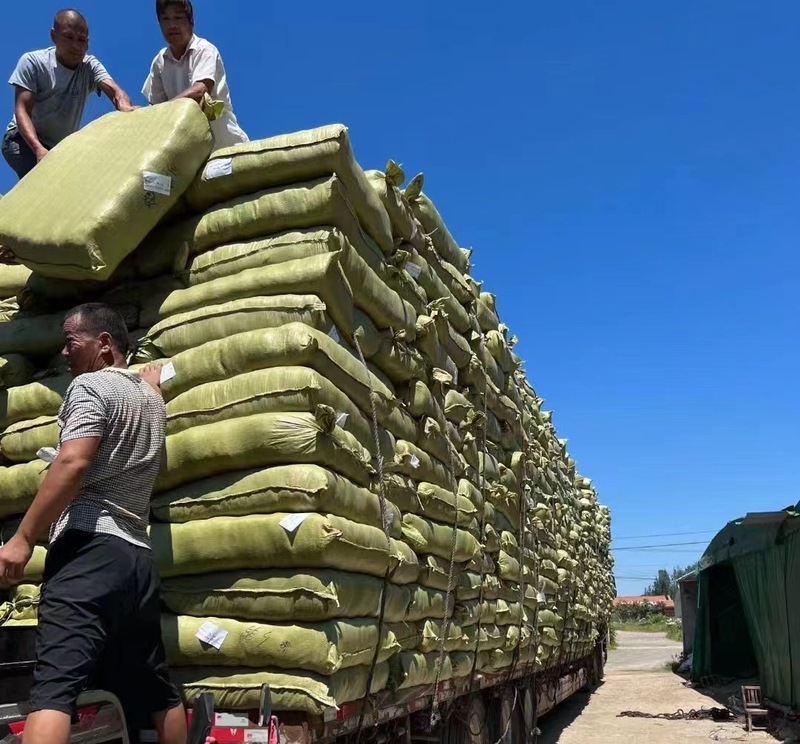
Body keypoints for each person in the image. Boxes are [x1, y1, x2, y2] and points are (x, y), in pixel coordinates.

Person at [0, 304, 188, 744]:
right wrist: (148, 378)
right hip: (137, 560)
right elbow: (150, 380)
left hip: (89, 551)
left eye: (71, 342)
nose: (64, 354)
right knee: (157, 688)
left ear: (103, 344)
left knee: (54, 689)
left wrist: (23, 538)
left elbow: (73, 460)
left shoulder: (89, 387)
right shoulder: (151, 400)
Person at [2, 9, 135, 180]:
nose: (76, 46)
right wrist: (38, 148)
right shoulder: (33, 62)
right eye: (69, 37)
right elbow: (22, 110)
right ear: (53, 36)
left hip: (59, 148)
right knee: (43, 182)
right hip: (21, 140)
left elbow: (115, 91)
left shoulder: (90, 66)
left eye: (82, 40)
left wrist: (125, 107)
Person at [142, 0, 248, 150]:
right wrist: (139, 115)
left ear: (191, 22)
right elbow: (156, 109)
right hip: (191, 154)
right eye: (165, 19)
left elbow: (200, 91)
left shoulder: (204, 49)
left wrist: (163, 111)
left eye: (178, 18)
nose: (172, 25)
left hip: (225, 147)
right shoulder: (159, 62)